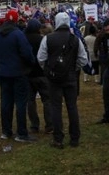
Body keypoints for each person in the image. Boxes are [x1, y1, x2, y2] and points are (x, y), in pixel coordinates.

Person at [37, 12, 88, 149]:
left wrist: (48, 70)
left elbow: (41, 58)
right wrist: (73, 68)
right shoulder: (75, 39)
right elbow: (83, 59)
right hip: (71, 77)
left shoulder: (48, 38)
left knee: (56, 107)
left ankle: (58, 138)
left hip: (54, 78)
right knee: (72, 107)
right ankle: (74, 138)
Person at [0, 9, 37, 142]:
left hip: (4, 72)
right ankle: (21, 133)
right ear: (16, 20)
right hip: (18, 72)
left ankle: (6, 131)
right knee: (21, 103)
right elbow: (27, 53)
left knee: (6, 102)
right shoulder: (18, 34)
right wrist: (30, 64)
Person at [24, 18, 52, 135]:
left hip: (28, 73)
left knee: (30, 101)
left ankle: (34, 125)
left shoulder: (23, 40)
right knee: (47, 100)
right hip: (41, 73)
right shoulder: (43, 39)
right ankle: (49, 125)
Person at [94, 19, 109, 124]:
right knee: (107, 94)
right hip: (108, 67)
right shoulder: (102, 36)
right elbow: (96, 45)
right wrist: (99, 56)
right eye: (106, 30)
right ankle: (108, 116)